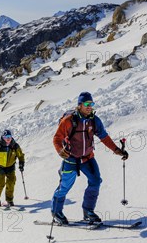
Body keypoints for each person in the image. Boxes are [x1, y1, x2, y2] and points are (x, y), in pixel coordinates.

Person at [51, 92, 128, 224]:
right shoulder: (69, 121)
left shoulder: (94, 120)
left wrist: (116, 150)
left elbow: (103, 136)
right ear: (79, 105)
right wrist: (60, 151)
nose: (89, 106)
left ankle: (88, 211)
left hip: (87, 158)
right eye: (87, 104)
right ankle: (56, 211)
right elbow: (57, 138)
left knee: (96, 181)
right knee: (64, 186)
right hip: (70, 159)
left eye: (91, 104)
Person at [0, 129, 25, 207]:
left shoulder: (14, 145)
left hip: (10, 167)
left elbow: (20, 155)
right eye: (6, 137)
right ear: (3, 137)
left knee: (11, 183)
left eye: (9, 137)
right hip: (0, 167)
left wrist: (21, 164)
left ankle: (9, 200)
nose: (8, 138)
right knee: (0, 184)